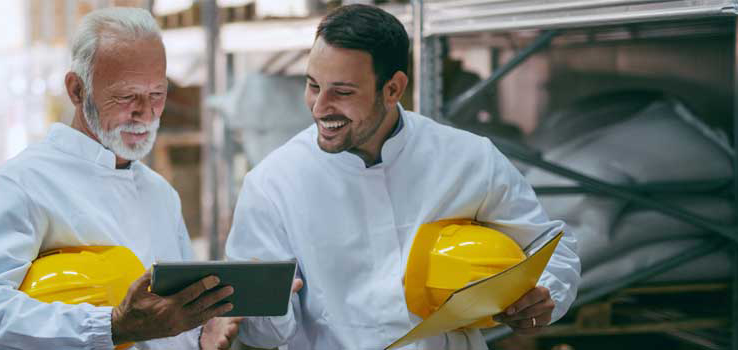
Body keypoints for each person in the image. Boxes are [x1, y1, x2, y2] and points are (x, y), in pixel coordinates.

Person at [224, 4, 581, 349]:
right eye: (313, 85)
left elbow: (550, 246)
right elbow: (259, 333)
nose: (319, 107)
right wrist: (268, 306)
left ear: (393, 88)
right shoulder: (273, 183)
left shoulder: (468, 159)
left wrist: (544, 294)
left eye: (342, 92)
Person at [0, 7, 244, 350]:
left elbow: (168, 321)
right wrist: (112, 326)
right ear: (77, 90)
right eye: (127, 96)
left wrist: (199, 334)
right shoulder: (25, 182)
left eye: (157, 95)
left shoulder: (160, 194)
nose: (145, 113)